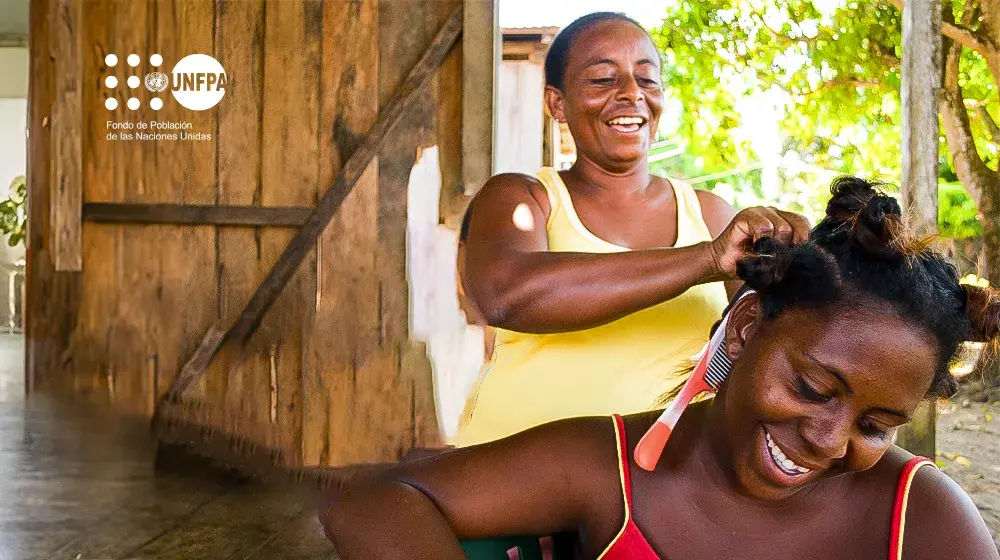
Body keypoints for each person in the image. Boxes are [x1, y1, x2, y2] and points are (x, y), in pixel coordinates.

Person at [320, 177, 1000, 560]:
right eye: (812, 388)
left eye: (877, 426)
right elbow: (373, 496)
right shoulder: (609, 466)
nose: (829, 439)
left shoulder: (921, 518)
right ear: (745, 324)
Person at [454, 12, 811, 447]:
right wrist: (705, 260)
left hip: (658, 489)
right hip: (512, 474)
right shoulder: (522, 198)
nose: (631, 94)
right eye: (603, 79)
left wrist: (806, 266)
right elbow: (507, 296)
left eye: (647, 79)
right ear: (557, 103)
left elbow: (771, 345)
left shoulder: (710, 216)